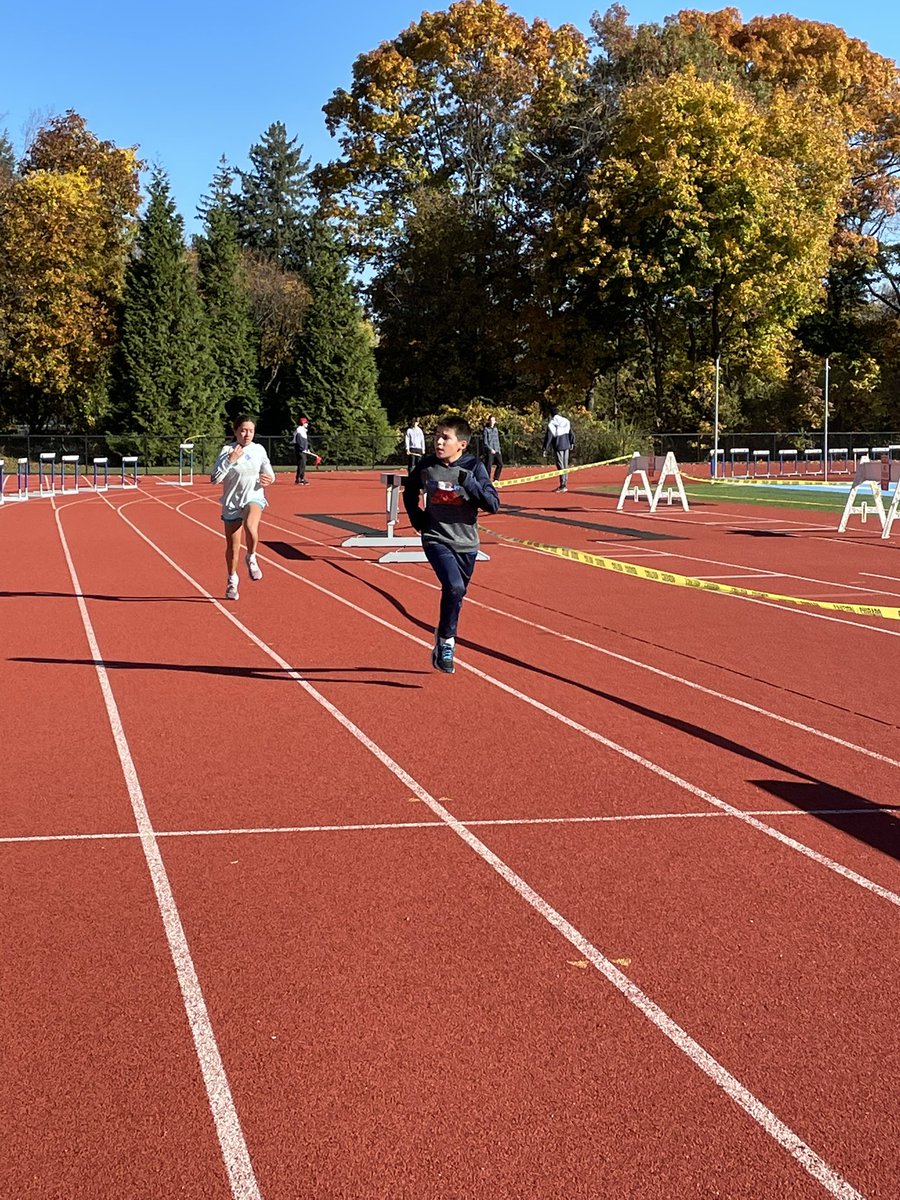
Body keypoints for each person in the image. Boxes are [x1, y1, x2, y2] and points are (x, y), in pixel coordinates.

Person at [403, 414, 500, 674]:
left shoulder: (474, 467)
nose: (439, 442)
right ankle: (447, 642)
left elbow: (493, 504)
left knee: (457, 594)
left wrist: (467, 481)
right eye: (437, 436)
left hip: (467, 543)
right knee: (453, 586)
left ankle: (441, 635)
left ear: (462, 445)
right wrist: (417, 518)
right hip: (436, 537)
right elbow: (409, 490)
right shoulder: (426, 465)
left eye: (446, 437)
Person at [211, 415, 275, 600]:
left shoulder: (259, 449)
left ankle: (252, 557)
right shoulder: (227, 450)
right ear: (236, 431)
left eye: (251, 431)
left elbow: (268, 471)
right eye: (244, 430)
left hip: (253, 497)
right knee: (232, 547)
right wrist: (229, 460)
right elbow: (215, 479)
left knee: (250, 525)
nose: (247, 435)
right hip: (232, 503)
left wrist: (269, 479)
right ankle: (232, 580)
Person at [543, 408, 575, 492]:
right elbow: (571, 433)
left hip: (558, 446)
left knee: (560, 466)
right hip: (566, 445)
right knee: (565, 465)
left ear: (551, 414)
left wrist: (545, 448)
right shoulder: (565, 420)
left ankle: (562, 485)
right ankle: (565, 483)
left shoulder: (552, 423)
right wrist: (572, 442)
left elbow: (549, 437)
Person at [482, 414, 503, 481]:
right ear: (489, 421)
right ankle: (487, 480)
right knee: (488, 466)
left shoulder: (496, 429)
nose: (492, 422)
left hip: (497, 450)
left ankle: (496, 479)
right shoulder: (486, 430)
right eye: (491, 420)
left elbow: (497, 440)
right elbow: (485, 442)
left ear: (495, 421)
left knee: (500, 464)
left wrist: (498, 449)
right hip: (490, 451)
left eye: (493, 420)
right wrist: (490, 449)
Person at [293, 416, 311, 485]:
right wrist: (303, 449)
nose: (307, 424)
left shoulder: (302, 430)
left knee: (302, 464)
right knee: (301, 464)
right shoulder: (299, 430)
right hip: (300, 450)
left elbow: (304, 442)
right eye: (306, 423)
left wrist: (306, 449)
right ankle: (300, 479)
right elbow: (299, 441)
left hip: (302, 450)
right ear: (303, 423)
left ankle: (300, 479)